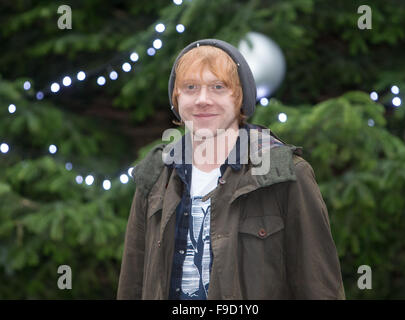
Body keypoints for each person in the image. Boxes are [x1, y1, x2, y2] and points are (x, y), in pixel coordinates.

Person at [117, 39, 345, 300]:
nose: (203, 100)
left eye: (218, 87)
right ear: (177, 99)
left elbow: (319, 287)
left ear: (240, 98)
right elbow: (132, 284)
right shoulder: (156, 174)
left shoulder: (283, 173)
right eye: (190, 87)